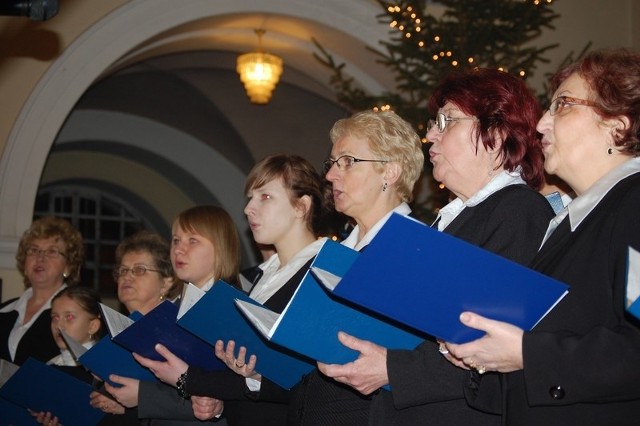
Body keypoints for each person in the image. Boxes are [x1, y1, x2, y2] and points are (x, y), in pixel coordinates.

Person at [317, 68, 555, 425]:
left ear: (497, 132)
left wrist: (391, 368)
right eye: (433, 123)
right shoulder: (448, 220)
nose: (430, 135)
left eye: (447, 121)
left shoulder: (518, 210)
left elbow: (488, 341)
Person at [441, 49, 640, 425]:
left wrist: (526, 353)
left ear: (619, 126)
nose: (542, 124)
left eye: (563, 105)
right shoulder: (568, 223)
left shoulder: (634, 203)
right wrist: (482, 353)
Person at [134, 154, 334, 425]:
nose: (249, 208)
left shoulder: (323, 272)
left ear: (301, 206)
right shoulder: (263, 277)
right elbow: (248, 374)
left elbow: (310, 381)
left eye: (265, 197)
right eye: (250, 197)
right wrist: (220, 403)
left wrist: (189, 379)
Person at [272, 109, 423, 424]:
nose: (329, 175)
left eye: (348, 162)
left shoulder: (418, 248)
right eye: (332, 163)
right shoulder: (334, 251)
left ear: (390, 172)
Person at [96, 208, 240, 424]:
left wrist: (143, 395)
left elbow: (223, 389)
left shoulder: (230, 308)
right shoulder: (177, 307)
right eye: (175, 240)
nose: (178, 250)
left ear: (221, 248)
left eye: (192, 241)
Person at [88, 230, 181, 421]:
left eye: (139, 270)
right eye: (122, 270)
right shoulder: (114, 331)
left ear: (166, 281)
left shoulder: (177, 331)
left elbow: (183, 400)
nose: (126, 277)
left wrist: (132, 406)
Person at [0, 216, 84, 366]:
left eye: (52, 251)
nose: (40, 258)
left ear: (68, 266)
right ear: (24, 263)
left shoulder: (78, 312)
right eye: (34, 250)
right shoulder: (4, 310)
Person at [33, 286, 105, 426]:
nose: (59, 325)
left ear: (93, 326)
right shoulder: (48, 367)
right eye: (55, 317)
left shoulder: (107, 368)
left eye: (69, 317)